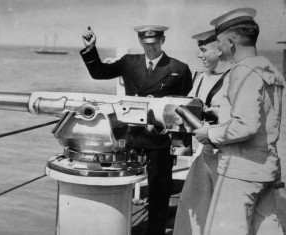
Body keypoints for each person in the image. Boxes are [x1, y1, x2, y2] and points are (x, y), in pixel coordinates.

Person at [80, 25, 193, 235]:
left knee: (159, 193)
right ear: (140, 42)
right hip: (131, 137)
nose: (151, 48)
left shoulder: (179, 68)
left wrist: (177, 142)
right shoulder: (129, 63)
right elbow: (99, 73)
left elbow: (182, 106)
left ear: (163, 40)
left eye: (155, 43)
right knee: (117, 184)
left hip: (159, 140)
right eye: (146, 44)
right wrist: (91, 49)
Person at [193, 8, 285, 235]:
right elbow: (264, 117)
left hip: (239, 171)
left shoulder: (241, 71)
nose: (221, 49)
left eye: (221, 43)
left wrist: (210, 134)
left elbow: (246, 125)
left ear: (231, 42)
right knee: (267, 227)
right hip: (266, 168)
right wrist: (221, 114)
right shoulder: (269, 68)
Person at [173, 29, 232, 235]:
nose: (199, 55)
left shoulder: (238, 78)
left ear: (221, 49)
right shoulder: (199, 77)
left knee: (225, 212)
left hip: (229, 155)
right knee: (192, 205)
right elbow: (188, 105)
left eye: (204, 49)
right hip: (205, 151)